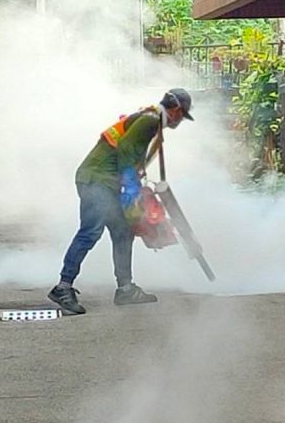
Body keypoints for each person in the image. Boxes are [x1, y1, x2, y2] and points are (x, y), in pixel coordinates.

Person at [48, 88, 194, 315]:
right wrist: (130, 182)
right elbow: (126, 147)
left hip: (106, 181)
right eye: (182, 115)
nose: (180, 121)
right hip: (97, 179)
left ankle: (125, 288)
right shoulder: (150, 120)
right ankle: (63, 287)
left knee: (123, 231)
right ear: (175, 110)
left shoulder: (151, 119)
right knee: (90, 231)